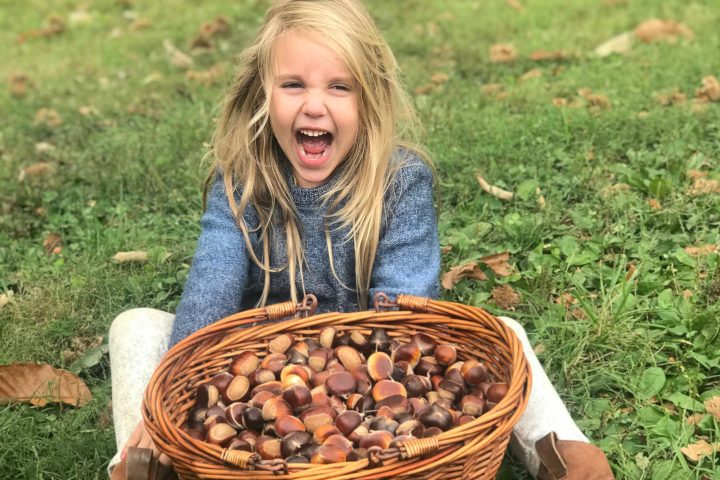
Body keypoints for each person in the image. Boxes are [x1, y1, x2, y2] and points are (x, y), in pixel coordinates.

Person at [108, 1, 613, 479]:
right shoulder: (241, 179)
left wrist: (369, 398)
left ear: (369, 98)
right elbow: (212, 286)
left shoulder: (399, 180)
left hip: (369, 359)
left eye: (339, 87)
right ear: (262, 93)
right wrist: (173, 386)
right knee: (136, 329)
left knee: (505, 333)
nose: (314, 106)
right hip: (262, 357)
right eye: (292, 85)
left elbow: (405, 299)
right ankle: (148, 453)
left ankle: (559, 449)